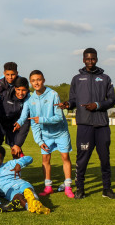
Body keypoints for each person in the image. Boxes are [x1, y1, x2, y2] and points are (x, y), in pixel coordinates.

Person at [58, 48, 115, 199]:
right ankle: (80, 189)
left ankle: (107, 189)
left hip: (102, 125)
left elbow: (112, 100)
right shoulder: (77, 79)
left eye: (93, 59)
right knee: (82, 158)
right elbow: (73, 100)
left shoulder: (105, 78)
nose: (90, 61)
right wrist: (67, 104)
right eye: (87, 59)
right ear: (83, 59)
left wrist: (97, 105)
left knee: (105, 158)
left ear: (96, 59)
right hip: (84, 125)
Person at [16, 70, 74, 198]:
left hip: (60, 133)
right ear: (31, 83)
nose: (36, 82)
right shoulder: (31, 100)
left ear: (43, 80)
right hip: (46, 135)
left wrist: (41, 119)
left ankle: (68, 186)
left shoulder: (53, 94)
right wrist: (39, 141)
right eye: (33, 80)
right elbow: (34, 123)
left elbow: (59, 117)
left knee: (65, 157)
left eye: (39, 79)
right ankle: (48, 187)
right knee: (45, 159)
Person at [0, 145, 50, 214]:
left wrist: (19, 164)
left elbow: (29, 158)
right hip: (9, 190)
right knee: (19, 198)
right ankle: (31, 207)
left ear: (3, 158)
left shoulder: (10, 164)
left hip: (20, 183)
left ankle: (34, 201)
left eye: (0, 158)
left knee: (28, 191)